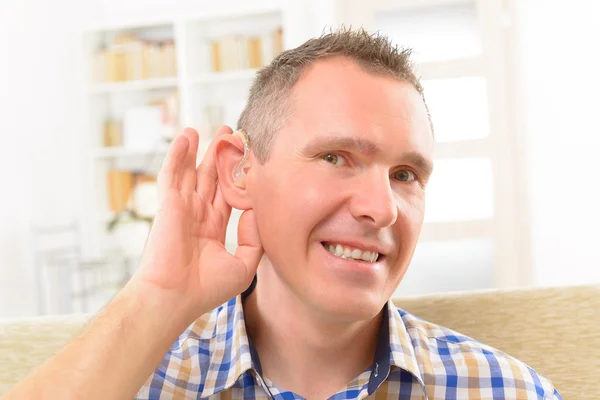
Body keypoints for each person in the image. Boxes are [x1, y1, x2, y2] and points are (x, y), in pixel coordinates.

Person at [2, 29, 561, 400]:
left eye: (405, 175)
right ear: (239, 171)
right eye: (336, 157)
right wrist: (157, 296)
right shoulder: (138, 379)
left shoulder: (502, 388)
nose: (381, 208)